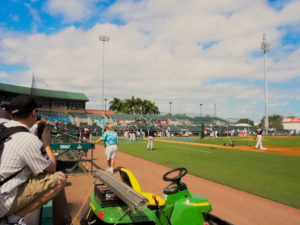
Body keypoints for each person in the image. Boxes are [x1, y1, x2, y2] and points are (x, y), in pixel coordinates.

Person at [0, 95, 67, 225]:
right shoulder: (29, 139)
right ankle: (15, 217)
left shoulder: (3, 127)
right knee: (60, 178)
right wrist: (46, 143)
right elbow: (52, 167)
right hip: (3, 202)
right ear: (33, 113)